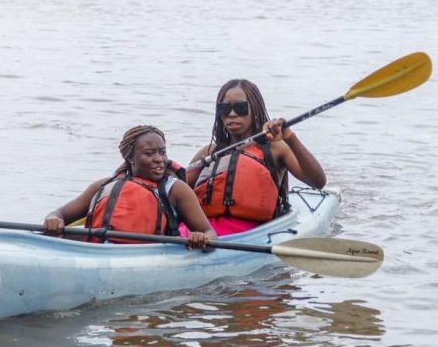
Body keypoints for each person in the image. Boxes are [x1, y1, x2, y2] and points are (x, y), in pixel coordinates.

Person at [185, 79, 326, 236]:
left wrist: (289, 138)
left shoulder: (275, 149)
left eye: (240, 108)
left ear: (255, 110)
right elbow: (177, 189)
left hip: (252, 233)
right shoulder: (209, 152)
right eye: (225, 109)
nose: (232, 114)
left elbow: (317, 182)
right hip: (204, 231)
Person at [43, 125, 217, 249]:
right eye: (149, 153)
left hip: (149, 257)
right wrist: (53, 219)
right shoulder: (103, 186)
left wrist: (201, 238)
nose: (159, 159)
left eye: (162, 152)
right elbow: (60, 214)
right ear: (131, 158)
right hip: (97, 253)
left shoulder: (176, 190)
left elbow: (209, 233)